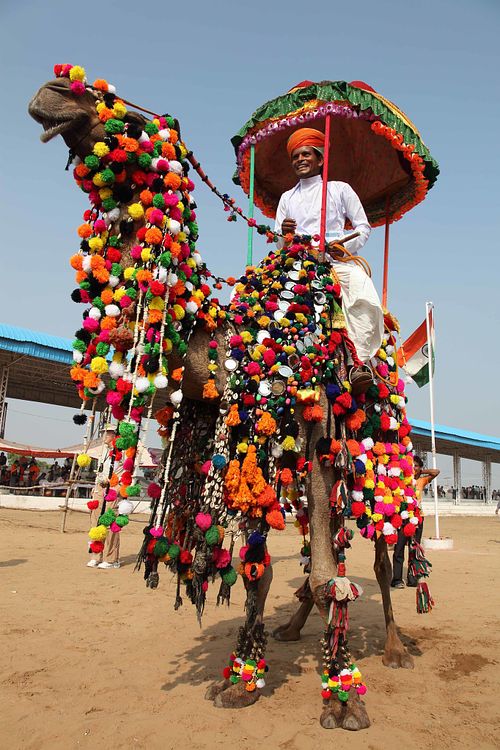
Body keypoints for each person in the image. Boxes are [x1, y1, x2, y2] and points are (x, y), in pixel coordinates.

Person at [274, 127, 384, 385]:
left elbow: (362, 227)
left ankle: (358, 363)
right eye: (295, 156)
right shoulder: (286, 198)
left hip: (335, 262)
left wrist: (343, 247)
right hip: (297, 265)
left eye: (306, 154)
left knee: (361, 288)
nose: (300, 159)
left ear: (320, 159)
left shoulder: (339, 189)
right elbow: (279, 242)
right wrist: (284, 234)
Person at [391, 455, 440, 588]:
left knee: (414, 549)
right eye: (412, 466)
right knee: (399, 549)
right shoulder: (402, 480)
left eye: (416, 466)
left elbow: (436, 472)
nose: (414, 468)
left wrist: (420, 471)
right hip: (403, 518)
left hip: (418, 519)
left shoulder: (421, 481)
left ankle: (412, 579)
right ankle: (397, 579)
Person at [87, 426, 123, 570]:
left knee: (110, 523)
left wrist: (118, 488)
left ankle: (112, 558)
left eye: (107, 434)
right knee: (95, 522)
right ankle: (96, 556)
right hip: (100, 488)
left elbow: (127, 473)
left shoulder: (123, 452)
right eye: (104, 433)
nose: (104, 436)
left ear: (114, 435)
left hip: (113, 488)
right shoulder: (104, 451)